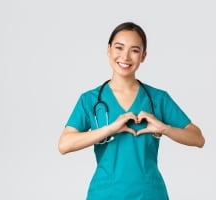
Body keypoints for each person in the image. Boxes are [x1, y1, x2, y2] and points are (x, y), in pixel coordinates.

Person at [58, 21, 205, 199]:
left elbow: (198, 138)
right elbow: (64, 145)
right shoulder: (90, 100)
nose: (125, 56)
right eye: (119, 48)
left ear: (143, 56)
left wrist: (164, 128)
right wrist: (110, 128)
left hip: (150, 193)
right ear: (108, 50)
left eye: (134, 50)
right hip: (105, 194)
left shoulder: (158, 99)